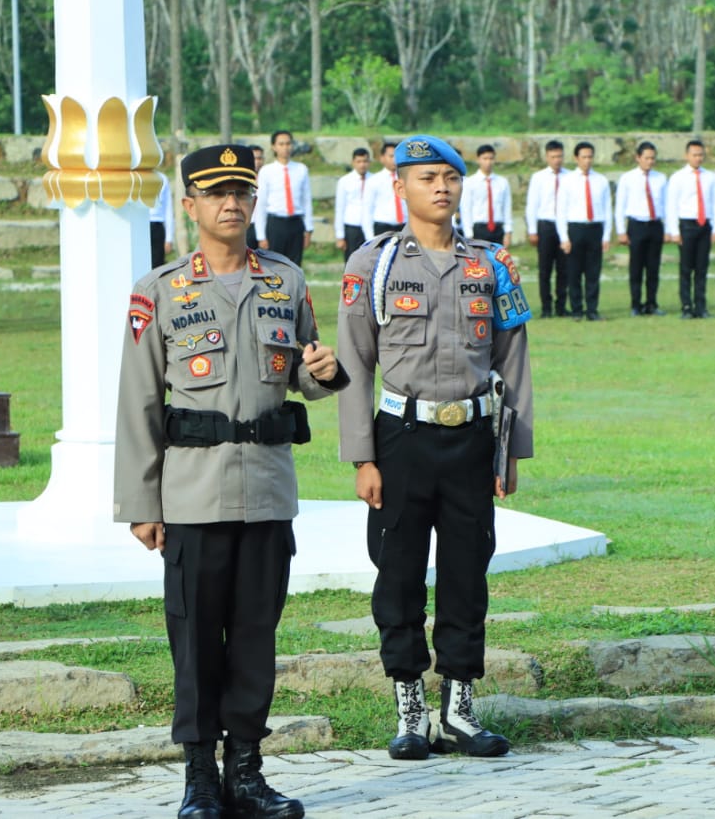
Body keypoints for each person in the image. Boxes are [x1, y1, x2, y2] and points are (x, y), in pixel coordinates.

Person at [115, 144, 348, 819]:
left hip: (268, 490)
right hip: (192, 492)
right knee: (193, 638)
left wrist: (324, 373)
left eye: (242, 192)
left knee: (255, 635)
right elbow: (138, 404)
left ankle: (246, 772)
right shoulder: (158, 290)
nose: (232, 204)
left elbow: (303, 370)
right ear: (189, 205)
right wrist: (141, 502)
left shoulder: (286, 281)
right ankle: (199, 778)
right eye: (216, 193)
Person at [337, 134, 533, 761]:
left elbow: (514, 358)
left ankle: (459, 707)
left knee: (467, 574)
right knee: (396, 575)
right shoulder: (373, 266)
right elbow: (353, 366)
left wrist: (512, 454)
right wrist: (363, 457)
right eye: (425, 179)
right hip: (402, 439)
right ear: (401, 188)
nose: (440, 188)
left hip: (473, 439)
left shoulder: (492, 264)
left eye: (448, 177)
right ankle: (411, 708)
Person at [555, 141, 611, 321]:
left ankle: (592, 309)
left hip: (595, 227)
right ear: (576, 159)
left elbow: (607, 209)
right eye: (584, 157)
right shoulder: (567, 181)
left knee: (593, 271)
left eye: (590, 157)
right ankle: (577, 309)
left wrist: (606, 235)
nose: (587, 161)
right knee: (574, 271)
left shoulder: (601, 180)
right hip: (576, 228)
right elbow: (561, 211)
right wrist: (564, 237)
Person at [665, 140, 715, 319]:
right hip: (687, 225)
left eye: (701, 155)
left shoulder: (710, 177)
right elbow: (671, 205)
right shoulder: (678, 177)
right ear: (687, 155)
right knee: (686, 268)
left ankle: (701, 306)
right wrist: (674, 230)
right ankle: (686, 306)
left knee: (702, 268)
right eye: (695, 155)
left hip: (704, 225)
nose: (698, 158)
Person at [614, 141, 667, 317]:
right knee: (636, 267)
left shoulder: (660, 178)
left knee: (653, 267)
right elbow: (620, 206)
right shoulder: (628, 178)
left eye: (653, 158)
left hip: (655, 225)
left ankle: (651, 303)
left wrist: (668, 228)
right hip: (637, 225)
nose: (650, 162)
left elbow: (665, 205)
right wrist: (621, 230)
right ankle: (635, 304)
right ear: (638, 158)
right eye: (646, 158)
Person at [253, 131, 313, 266]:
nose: (285, 147)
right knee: (275, 266)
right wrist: (261, 235)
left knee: (295, 266)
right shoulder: (267, 171)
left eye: (288, 143)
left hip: (296, 222)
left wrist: (308, 229)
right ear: (274, 147)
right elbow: (261, 204)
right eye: (281, 144)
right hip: (275, 223)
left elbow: (306, 200)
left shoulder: (301, 169)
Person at [524, 140, 569, 318]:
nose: (557, 160)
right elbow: (532, 205)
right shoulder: (539, 177)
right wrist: (533, 230)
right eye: (553, 157)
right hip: (546, 225)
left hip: (564, 225)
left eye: (559, 156)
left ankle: (562, 306)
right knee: (545, 269)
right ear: (547, 157)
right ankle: (546, 307)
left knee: (564, 269)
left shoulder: (570, 177)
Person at [460, 144, 513, 249]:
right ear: (478, 159)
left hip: (497, 228)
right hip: (479, 228)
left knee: (497, 262)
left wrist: (508, 231)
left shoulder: (502, 182)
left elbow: (507, 208)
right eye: (485, 158)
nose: (488, 162)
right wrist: (469, 234)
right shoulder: (470, 182)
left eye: (491, 158)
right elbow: (466, 209)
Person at [362, 141, 407, 240]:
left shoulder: (407, 179)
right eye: (391, 156)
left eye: (397, 156)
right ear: (382, 158)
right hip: (383, 227)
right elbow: (367, 210)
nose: (395, 160)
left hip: (404, 226)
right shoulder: (373, 181)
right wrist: (369, 237)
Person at [335, 147, 372, 264]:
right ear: (353, 163)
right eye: (359, 162)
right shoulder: (345, 181)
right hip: (352, 227)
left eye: (365, 161)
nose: (362, 165)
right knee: (352, 262)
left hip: (371, 227)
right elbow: (340, 208)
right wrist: (340, 235)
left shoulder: (374, 180)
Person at [149, 173, 175, 270]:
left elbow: (168, 209)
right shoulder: (136, 175)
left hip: (156, 225)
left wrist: (169, 238)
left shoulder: (162, 178)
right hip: (139, 225)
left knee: (156, 268)